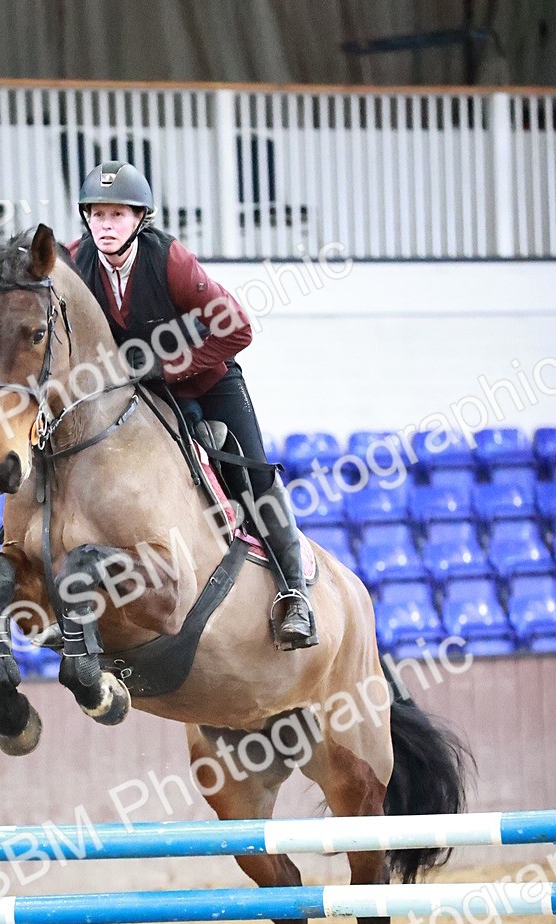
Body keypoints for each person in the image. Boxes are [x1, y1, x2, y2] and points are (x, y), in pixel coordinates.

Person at [68, 161, 317, 651]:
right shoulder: (78, 264)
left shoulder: (171, 261)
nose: (105, 225)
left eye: (117, 214)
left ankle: (294, 593)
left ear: (140, 218)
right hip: (142, 394)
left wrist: (170, 365)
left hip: (208, 381)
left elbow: (238, 329)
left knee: (256, 476)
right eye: (97, 214)